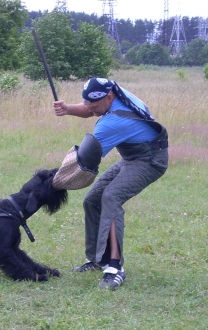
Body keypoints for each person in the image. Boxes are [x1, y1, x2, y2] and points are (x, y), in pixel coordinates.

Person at [53, 77, 168, 289]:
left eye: (94, 105)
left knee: (111, 197)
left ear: (109, 97)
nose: (90, 109)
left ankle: (115, 267)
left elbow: (84, 165)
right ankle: (97, 259)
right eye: (87, 102)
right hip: (132, 158)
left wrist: (55, 182)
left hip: (150, 161)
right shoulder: (114, 91)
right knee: (92, 200)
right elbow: (90, 109)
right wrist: (68, 108)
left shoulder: (112, 123)